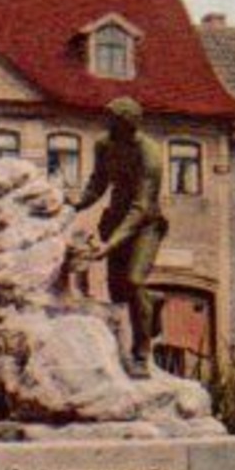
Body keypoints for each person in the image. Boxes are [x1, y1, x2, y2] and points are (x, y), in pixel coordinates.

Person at [70, 96, 170, 378]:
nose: (107, 126)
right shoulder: (104, 144)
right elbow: (98, 183)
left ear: (129, 125)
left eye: (114, 122)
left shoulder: (149, 153)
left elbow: (141, 206)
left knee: (134, 280)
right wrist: (75, 204)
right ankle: (152, 301)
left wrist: (110, 244)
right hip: (114, 220)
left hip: (144, 225)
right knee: (118, 293)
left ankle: (141, 353)